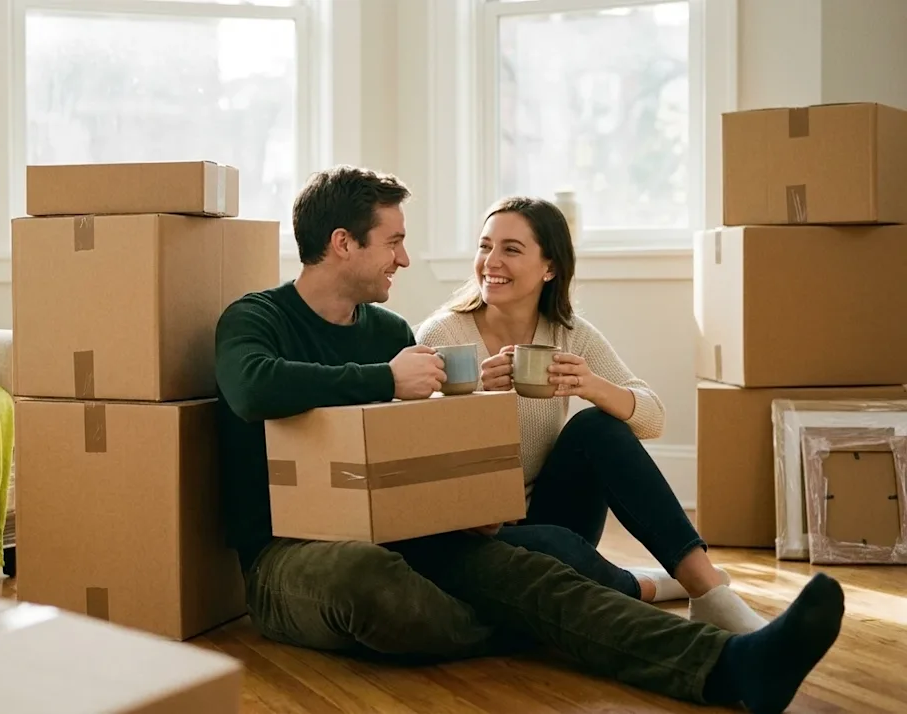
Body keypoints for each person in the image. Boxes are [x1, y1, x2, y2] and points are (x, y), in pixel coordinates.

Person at [214, 165, 844, 713]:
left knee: (534, 575)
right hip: (289, 555)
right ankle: (539, 623)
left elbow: (410, 449)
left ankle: (732, 665)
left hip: (407, 536)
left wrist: (461, 509)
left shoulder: (386, 328)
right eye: (395, 241)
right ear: (343, 243)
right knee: (372, 578)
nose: (405, 259)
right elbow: (252, 389)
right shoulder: (257, 318)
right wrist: (385, 378)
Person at [414, 196, 766, 634]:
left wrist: (590, 385)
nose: (491, 262)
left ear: (550, 267)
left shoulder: (569, 334)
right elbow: (409, 444)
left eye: (511, 249)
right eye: (485, 246)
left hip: (546, 510)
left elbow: (652, 418)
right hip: (471, 529)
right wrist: (476, 395)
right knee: (556, 548)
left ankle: (709, 591)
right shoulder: (443, 333)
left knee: (598, 426)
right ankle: (647, 586)